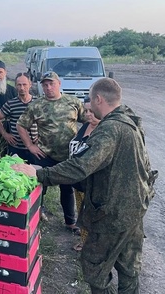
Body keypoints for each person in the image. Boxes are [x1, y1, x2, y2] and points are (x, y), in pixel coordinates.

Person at [12, 78, 158, 294]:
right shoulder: (131, 121)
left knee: (93, 266)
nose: (89, 105)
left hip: (113, 213)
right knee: (128, 268)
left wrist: (40, 173)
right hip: (134, 208)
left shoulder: (110, 129)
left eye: (90, 100)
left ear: (99, 99)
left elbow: (81, 166)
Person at [16, 71, 85, 228]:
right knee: (39, 188)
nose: (48, 87)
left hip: (68, 157)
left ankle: (70, 222)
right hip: (44, 154)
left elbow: (88, 121)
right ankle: (35, 218)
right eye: (45, 85)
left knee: (67, 190)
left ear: (59, 84)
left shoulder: (73, 102)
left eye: (51, 84)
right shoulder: (37, 105)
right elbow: (21, 125)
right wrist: (30, 146)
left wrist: (83, 144)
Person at [68, 95, 100, 251]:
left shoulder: (102, 132)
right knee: (80, 211)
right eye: (86, 111)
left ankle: (89, 245)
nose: (88, 114)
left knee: (89, 214)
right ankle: (83, 240)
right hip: (77, 181)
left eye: (92, 111)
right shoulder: (85, 126)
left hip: (90, 183)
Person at [0, 72, 37, 163]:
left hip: (34, 148)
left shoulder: (38, 102)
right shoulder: (11, 104)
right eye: (19, 85)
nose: (22, 88)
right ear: (15, 86)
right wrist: (5, 134)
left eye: (24, 84)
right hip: (16, 148)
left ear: (30, 85)